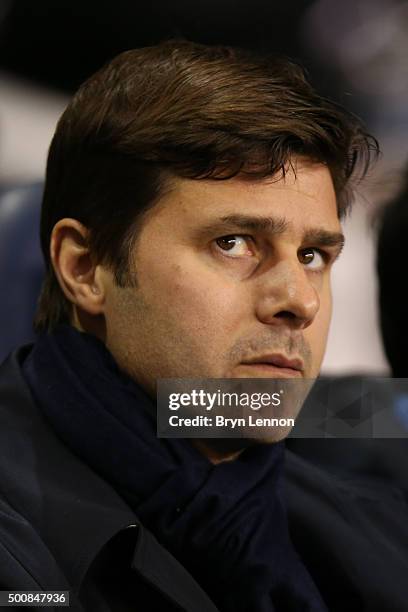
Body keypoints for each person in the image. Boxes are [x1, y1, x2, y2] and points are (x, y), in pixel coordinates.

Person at [0, 40, 407, 612]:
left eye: (313, 255)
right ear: (84, 268)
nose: (298, 301)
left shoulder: (371, 527)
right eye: (233, 243)